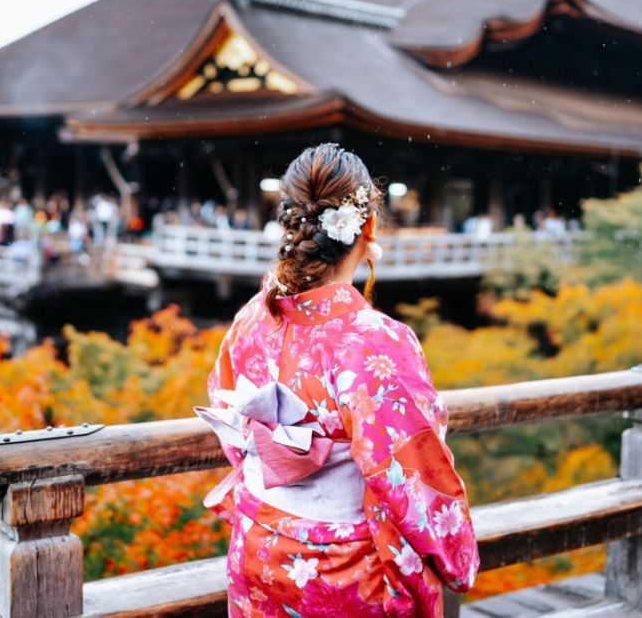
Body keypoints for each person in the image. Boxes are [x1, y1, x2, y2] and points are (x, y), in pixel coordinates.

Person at [196, 144, 478, 617]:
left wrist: (287, 467)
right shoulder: (375, 342)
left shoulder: (254, 317)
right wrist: (457, 558)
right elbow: (412, 473)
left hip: (258, 545)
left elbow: (232, 419)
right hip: (341, 570)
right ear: (367, 226)